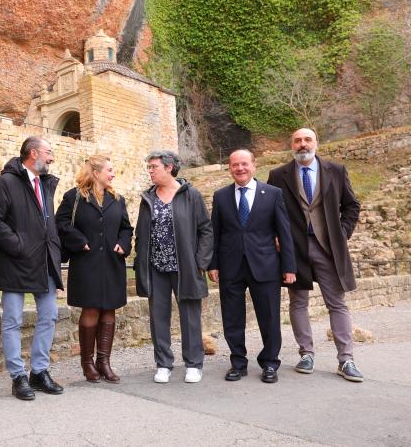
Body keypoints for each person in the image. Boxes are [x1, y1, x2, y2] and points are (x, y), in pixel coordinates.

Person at [267, 128, 363, 382]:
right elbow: (269, 211)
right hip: (294, 249)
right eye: (297, 140)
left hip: (328, 249)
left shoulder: (336, 171)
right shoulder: (278, 175)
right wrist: (275, 236)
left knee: (337, 303)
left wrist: (341, 234)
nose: (302, 144)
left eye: (307, 140)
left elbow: (352, 205)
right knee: (298, 302)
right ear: (291, 145)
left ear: (316, 143)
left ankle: (346, 359)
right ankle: (306, 353)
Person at [208, 150, 296, 384]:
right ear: (230, 168)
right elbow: (215, 233)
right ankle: (238, 363)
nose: (240, 168)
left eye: (244, 164)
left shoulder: (273, 194)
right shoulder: (221, 196)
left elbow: (284, 233)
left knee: (269, 318)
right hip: (230, 266)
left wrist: (289, 267)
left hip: (265, 265)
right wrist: (213, 264)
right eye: (235, 165)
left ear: (254, 166)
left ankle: (269, 363)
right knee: (232, 318)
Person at [0, 136, 64, 400]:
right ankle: (18, 376)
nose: (51, 158)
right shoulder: (5, 182)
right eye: (48, 152)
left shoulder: (46, 183)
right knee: (12, 321)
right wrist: (17, 244)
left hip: (44, 261)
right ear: (33, 154)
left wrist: (54, 247)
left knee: (50, 315)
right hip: (16, 261)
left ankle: (39, 372)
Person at [134, 150, 213, 384]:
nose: (150, 171)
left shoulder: (191, 195)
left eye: (154, 167)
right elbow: (141, 231)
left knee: (190, 317)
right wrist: (141, 259)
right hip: (155, 266)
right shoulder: (148, 198)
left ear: (169, 168)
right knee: (158, 317)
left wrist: (200, 261)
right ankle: (163, 364)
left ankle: (194, 364)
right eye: (149, 167)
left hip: (185, 266)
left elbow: (206, 230)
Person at [55, 155, 133, 383]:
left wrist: (124, 243)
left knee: (109, 310)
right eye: (109, 170)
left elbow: (127, 228)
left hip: (112, 262)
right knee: (90, 311)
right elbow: (61, 224)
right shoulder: (74, 197)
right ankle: (87, 363)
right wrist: (79, 241)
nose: (113, 174)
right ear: (96, 172)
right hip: (86, 262)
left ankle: (104, 362)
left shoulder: (117, 199)